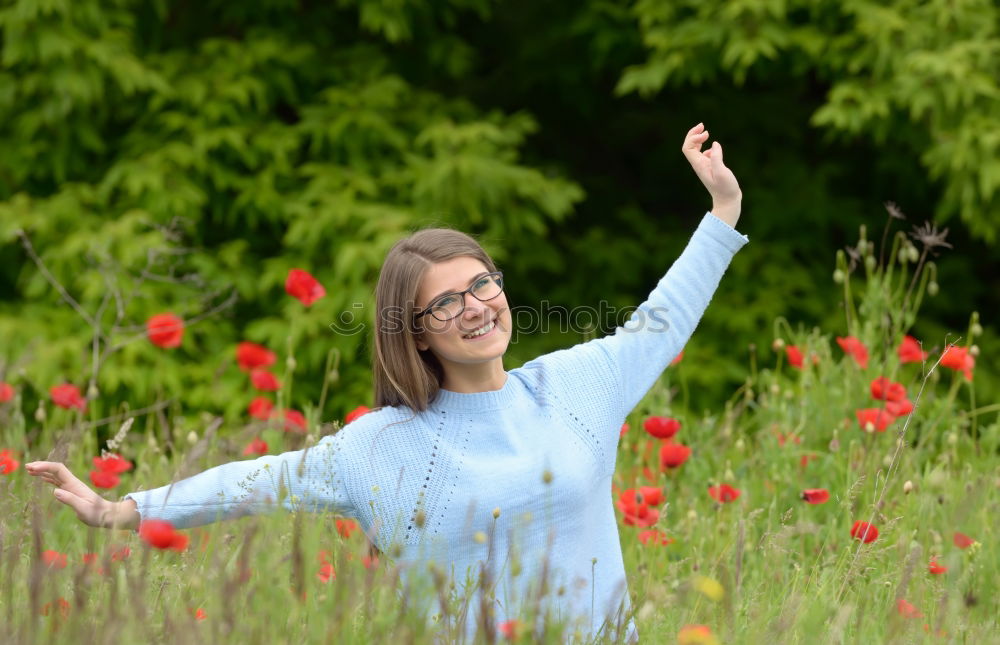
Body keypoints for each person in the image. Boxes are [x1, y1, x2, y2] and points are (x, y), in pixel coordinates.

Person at [27, 123, 747, 642]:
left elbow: (661, 320)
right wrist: (121, 509)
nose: (474, 307)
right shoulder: (377, 448)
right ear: (415, 331)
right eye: (445, 302)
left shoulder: (577, 385)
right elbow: (252, 482)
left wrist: (721, 211)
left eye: (481, 283)